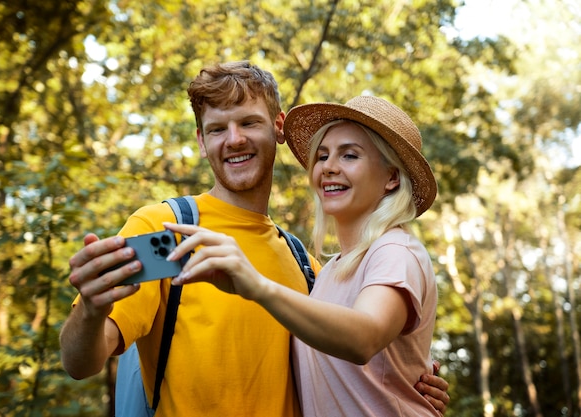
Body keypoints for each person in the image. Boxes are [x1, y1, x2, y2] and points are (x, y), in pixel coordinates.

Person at [59, 62, 449, 416]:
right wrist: (90, 311)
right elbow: (81, 363)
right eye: (216, 129)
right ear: (200, 141)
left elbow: (356, 354)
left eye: (248, 123)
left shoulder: (307, 266)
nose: (234, 140)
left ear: (278, 128)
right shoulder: (168, 230)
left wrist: (409, 383)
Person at [164, 94, 440, 416]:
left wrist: (256, 285)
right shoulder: (326, 274)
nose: (329, 167)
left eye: (349, 156)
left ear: (392, 177)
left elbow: (363, 338)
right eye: (322, 156)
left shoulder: (394, 249)